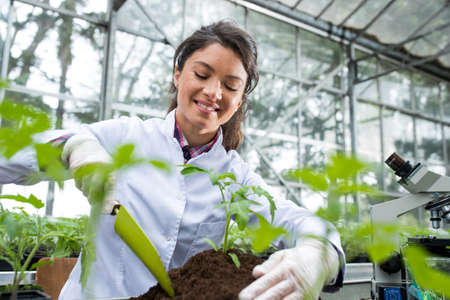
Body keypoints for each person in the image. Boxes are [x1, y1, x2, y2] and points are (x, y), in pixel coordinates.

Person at [1, 20, 344, 299]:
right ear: (178, 74)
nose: (214, 92)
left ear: (238, 102)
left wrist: (318, 254)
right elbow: (14, 157)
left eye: (230, 85)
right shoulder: (128, 137)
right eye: (202, 74)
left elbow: (296, 220)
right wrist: (72, 146)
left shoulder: (233, 177)